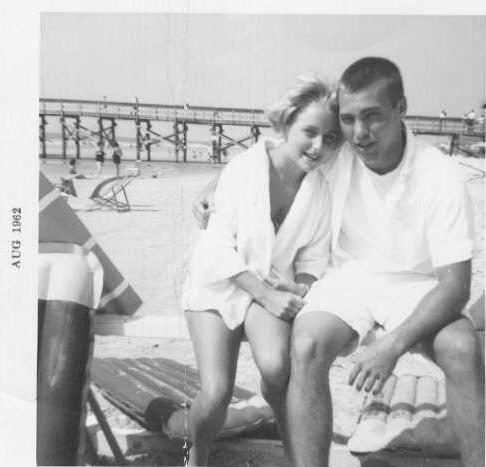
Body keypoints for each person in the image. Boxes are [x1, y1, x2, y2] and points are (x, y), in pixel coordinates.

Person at [193, 57, 484, 467]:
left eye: (373, 116)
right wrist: (214, 186)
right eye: (348, 119)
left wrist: (391, 347)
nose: (360, 133)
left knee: (462, 347)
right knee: (306, 345)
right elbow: (274, 156)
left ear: (401, 108)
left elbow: (455, 287)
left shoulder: (440, 175)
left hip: (416, 284)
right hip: (349, 278)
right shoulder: (341, 149)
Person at [182, 74, 342, 466]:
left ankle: (295, 449)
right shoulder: (243, 169)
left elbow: (314, 258)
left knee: (276, 368)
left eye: (330, 138)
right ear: (287, 123)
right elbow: (214, 248)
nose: (318, 146)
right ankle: (196, 453)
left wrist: (299, 286)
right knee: (217, 393)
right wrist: (267, 295)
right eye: (309, 132)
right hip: (219, 284)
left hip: (270, 290)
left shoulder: (320, 189)